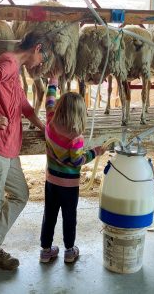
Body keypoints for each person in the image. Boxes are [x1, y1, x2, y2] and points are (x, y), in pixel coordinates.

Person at [0, 31, 52, 275]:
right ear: (37, 48)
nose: (42, 63)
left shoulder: (13, 68)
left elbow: (22, 104)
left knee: (20, 194)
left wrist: (42, 126)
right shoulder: (8, 63)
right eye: (43, 57)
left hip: (8, 146)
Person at [39, 75, 106, 263]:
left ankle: (45, 251)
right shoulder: (76, 138)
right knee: (69, 217)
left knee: (49, 215)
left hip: (51, 181)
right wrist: (95, 152)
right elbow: (77, 162)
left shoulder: (51, 121)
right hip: (69, 186)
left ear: (60, 108)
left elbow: (49, 101)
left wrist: (53, 82)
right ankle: (69, 251)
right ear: (79, 115)